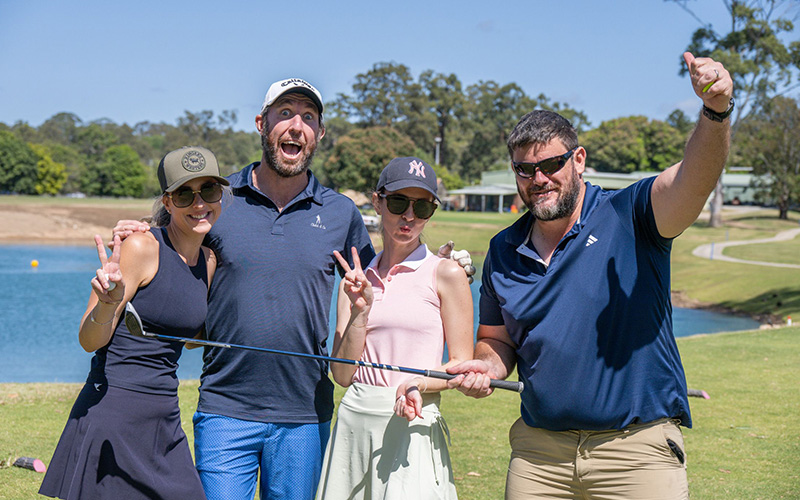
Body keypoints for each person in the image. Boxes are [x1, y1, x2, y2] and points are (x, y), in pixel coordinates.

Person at [112, 79, 474, 500]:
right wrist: (141, 229)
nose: (296, 125)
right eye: (284, 114)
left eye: (308, 117)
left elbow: (384, 272)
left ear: (319, 134)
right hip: (225, 409)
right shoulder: (217, 198)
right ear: (261, 124)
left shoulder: (340, 212)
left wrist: (447, 262)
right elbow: (173, 239)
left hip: (305, 413)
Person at [447, 52, 734, 499]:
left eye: (551, 165)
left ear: (578, 159)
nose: (538, 178)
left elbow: (694, 181)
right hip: (538, 455)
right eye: (525, 169)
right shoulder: (503, 249)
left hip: (635, 453)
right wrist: (485, 366)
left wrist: (715, 113)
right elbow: (497, 340)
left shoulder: (631, 214)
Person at [39, 146, 230, 499]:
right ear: (167, 202)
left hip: (164, 416)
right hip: (113, 411)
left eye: (210, 191)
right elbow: (89, 339)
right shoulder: (141, 246)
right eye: (185, 193)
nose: (199, 203)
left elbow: (188, 337)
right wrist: (108, 305)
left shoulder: (209, 260)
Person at [316, 158, 473, 499]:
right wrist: (361, 312)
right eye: (399, 202)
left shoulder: (446, 273)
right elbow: (342, 375)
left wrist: (416, 382)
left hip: (413, 420)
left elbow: (460, 364)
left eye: (423, 207)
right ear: (378, 202)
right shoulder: (356, 280)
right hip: (354, 424)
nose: (410, 216)